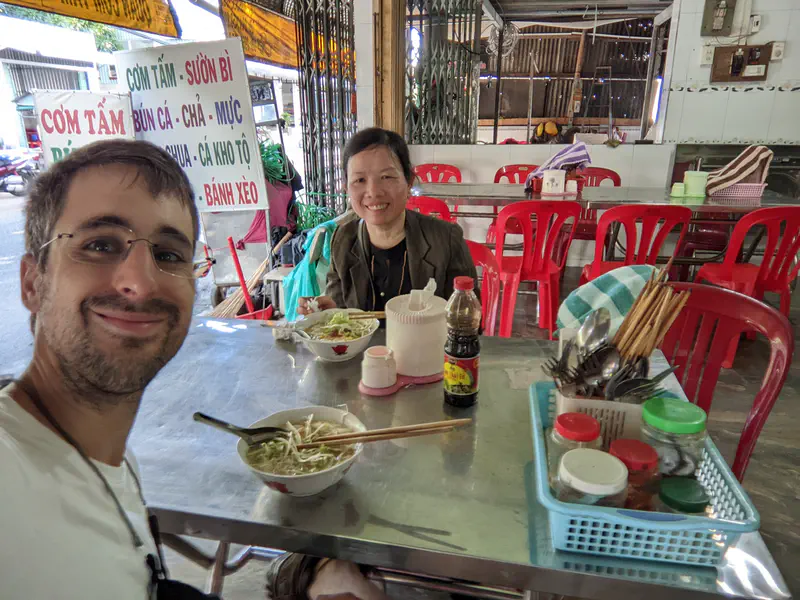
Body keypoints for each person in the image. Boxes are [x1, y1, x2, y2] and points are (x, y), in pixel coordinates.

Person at [0, 139, 369, 600]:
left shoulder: (107, 456)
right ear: (33, 282)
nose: (139, 279)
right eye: (100, 244)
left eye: (169, 254)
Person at [298, 128, 477, 316]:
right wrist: (330, 313)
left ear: (409, 183)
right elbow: (341, 309)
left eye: (386, 177)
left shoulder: (446, 240)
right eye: (359, 180)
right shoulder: (343, 239)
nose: (373, 192)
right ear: (346, 189)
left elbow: (468, 319)